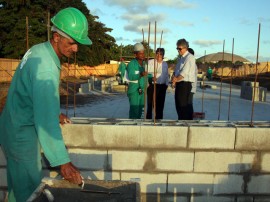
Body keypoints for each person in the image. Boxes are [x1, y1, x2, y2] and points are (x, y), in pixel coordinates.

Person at [0, 7, 92, 202]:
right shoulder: (46, 69)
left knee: (18, 188)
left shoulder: (39, 50)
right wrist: (62, 161)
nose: (76, 49)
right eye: (72, 42)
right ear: (57, 37)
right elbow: (46, 122)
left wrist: (53, 111)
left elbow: (31, 94)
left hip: (13, 125)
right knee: (29, 192)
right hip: (21, 134)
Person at [172, 39, 196, 120]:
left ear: (185, 48)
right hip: (179, 84)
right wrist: (174, 78)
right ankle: (181, 121)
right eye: (177, 49)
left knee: (184, 106)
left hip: (185, 84)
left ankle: (186, 123)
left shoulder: (190, 58)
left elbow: (184, 73)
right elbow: (176, 71)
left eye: (180, 49)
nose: (178, 50)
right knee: (178, 105)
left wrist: (176, 79)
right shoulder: (181, 58)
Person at [126, 43, 148, 119]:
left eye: (143, 53)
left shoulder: (145, 64)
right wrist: (140, 75)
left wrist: (152, 78)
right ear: (135, 55)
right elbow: (131, 76)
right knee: (134, 111)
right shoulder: (131, 64)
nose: (143, 55)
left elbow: (148, 75)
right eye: (140, 53)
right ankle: (132, 128)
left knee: (142, 111)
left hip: (143, 91)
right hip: (134, 91)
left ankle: (140, 127)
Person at [146, 48, 169, 119]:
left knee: (160, 105)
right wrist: (151, 78)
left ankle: (159, 120)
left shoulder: (165, 64)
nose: (158, 55)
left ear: (163, 55)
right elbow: (146, 73)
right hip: (152, 86)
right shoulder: (150, 62)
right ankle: (148, 120)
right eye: (157, 53)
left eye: (160, 54)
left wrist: (166, 84)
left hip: (162, 86)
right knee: (150, 104)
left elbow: (166, 75)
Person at [187, 48, 198, 119]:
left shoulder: (192, 65)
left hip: (191, 87)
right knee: (188, 103)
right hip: (189, 87)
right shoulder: (191, 64)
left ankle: (190, 119)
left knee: (189, 104)